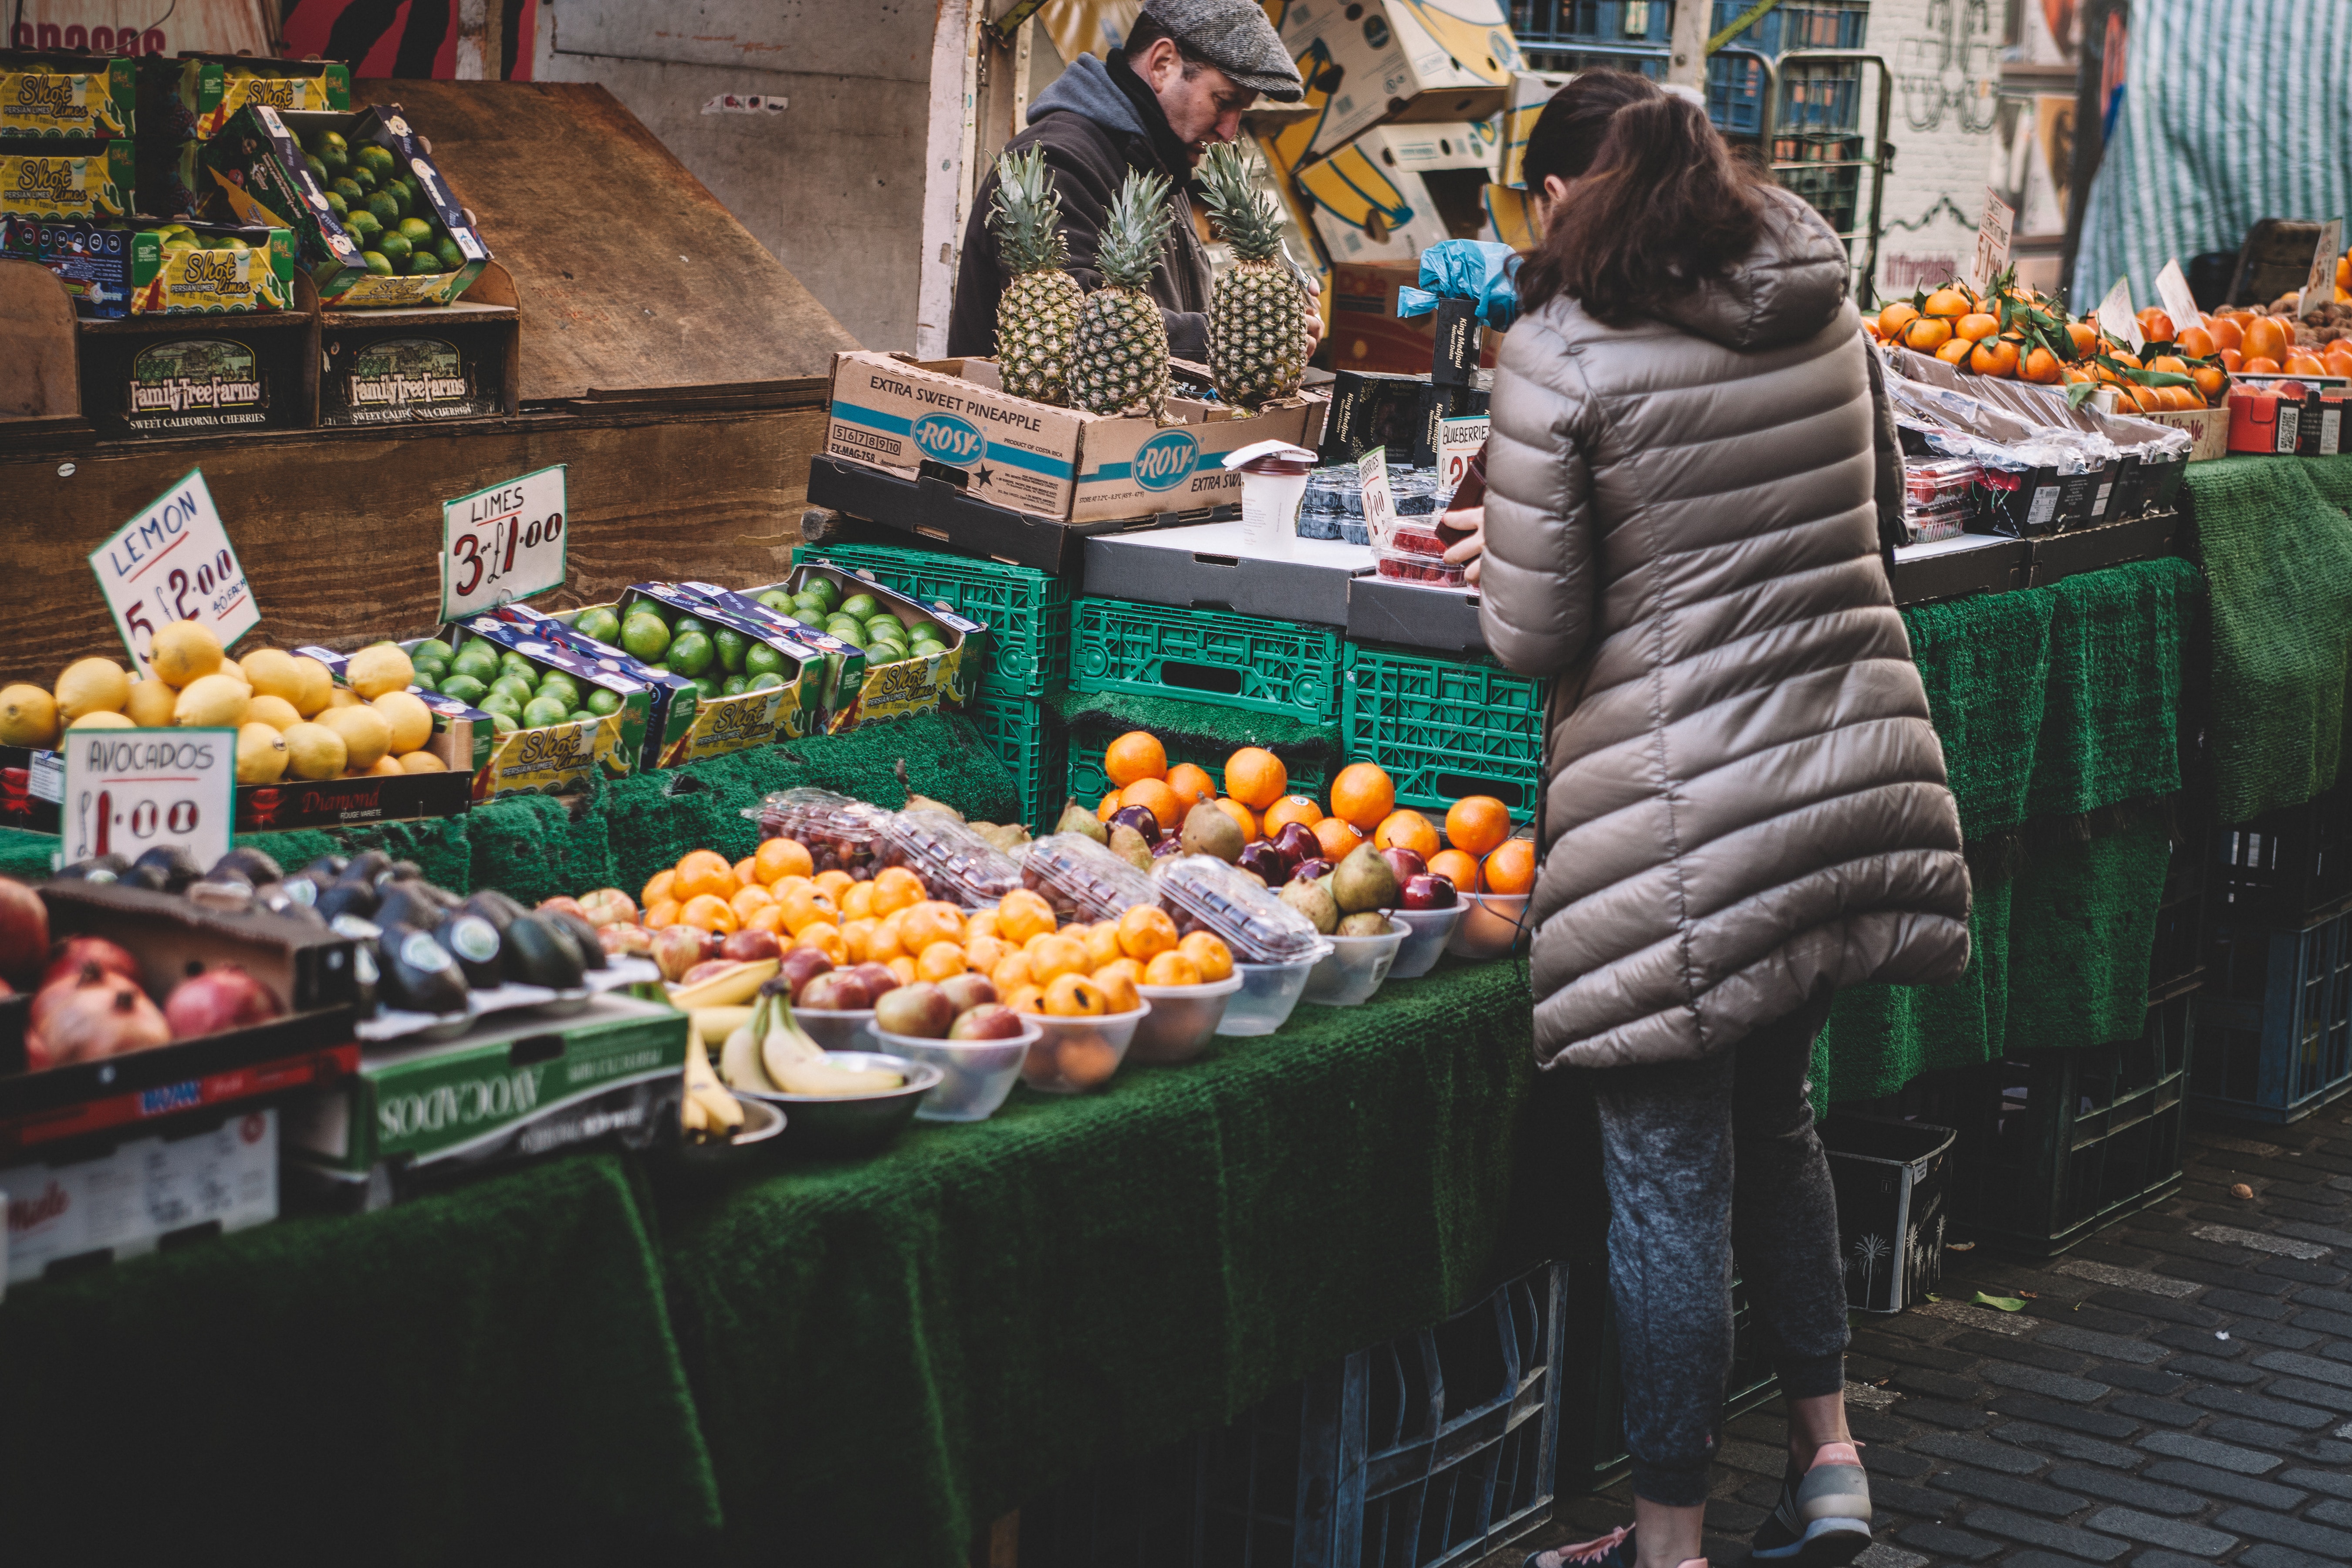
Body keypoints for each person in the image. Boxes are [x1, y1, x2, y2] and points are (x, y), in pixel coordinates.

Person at [1480, 75, 1973, 1568]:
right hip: (1840, 782)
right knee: (1781, 1129)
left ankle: (1669, 1540)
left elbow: (1532, 626)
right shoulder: (1821, 301)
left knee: (1670, 1188)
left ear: (1567, 197)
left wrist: (1502, 523)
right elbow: (1876, 508)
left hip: (1683, 828)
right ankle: (1831, 1460)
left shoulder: (1561, 353)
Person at [947, 0, 1324, 367]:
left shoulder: (1160, 164)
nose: (1229, 132)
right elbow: (1073, 325)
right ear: (1163, 65)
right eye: (1224, 102)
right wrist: (1237, 336)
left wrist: (1264, 320)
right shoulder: (1054, 161)